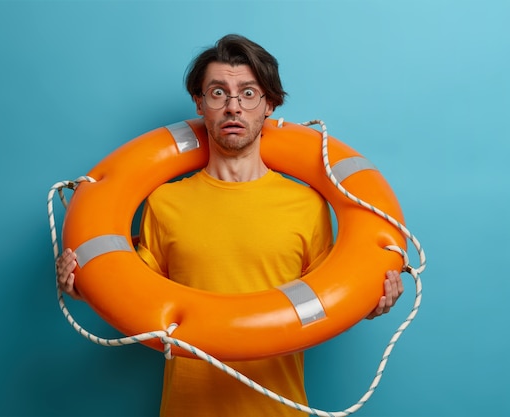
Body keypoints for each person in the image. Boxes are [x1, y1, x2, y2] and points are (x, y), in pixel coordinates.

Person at [56, 34, 404, 417]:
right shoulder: (164, 203)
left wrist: (369, 301)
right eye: (218, 93)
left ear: (269, 104)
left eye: (249, 93)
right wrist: (84, 287)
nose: (233, 107)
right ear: (200, 104)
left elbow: (331, 297)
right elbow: (133, 296)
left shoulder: (307, 205)